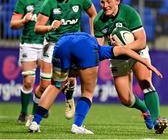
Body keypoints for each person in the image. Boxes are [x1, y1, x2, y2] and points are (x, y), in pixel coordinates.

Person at [28, 32, 162, 134]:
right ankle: (77, 126)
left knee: (55, 85)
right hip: (84, 48)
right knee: (87, 92)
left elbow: (71, 71)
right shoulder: (103, 50)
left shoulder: (93, 44)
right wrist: (146, 62)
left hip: (61, 44)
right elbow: (124, 50)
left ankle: (35, 123)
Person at [94, 0, 168, 134]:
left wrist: (124, 46)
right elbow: (98, 48)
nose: (105, 5)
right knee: (125, 99)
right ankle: (144, 109)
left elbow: (141, 41)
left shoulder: (129, 13)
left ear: (118, 1)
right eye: (102, 2)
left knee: (146, 82)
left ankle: (156, 122)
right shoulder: (98, 21)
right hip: (118, 57)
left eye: (109, 2)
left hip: (137, 51)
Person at [33, 0, 97, 120]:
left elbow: (93, 14)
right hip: (52, 43)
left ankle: (69, 99)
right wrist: (50, 27)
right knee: (45, 85)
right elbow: (37, 28)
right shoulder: (50, 1)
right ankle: (35, 112)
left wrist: (94, 36)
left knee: (71, 78)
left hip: (71, 43)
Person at [10, 0, 48, 124]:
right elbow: (13, 24)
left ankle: (35, 113)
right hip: (29, 44)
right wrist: (24, 20)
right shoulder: (23, 0)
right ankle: (24, 112)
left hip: (47, 45)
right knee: (28, 81)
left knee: (45, 84)